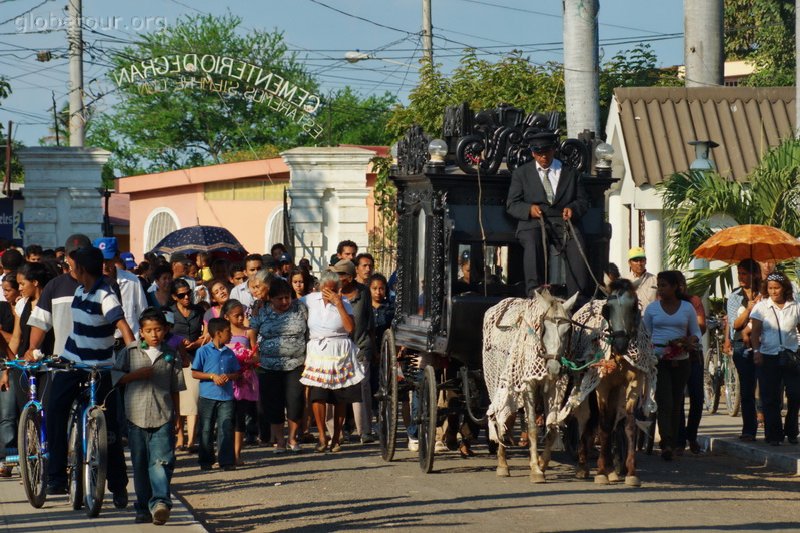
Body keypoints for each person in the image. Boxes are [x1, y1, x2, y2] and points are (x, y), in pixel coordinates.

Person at [37, 245, 135, 504]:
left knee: (109, 428)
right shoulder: (80, 291)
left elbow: (122, 326)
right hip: (73, 363)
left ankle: (118, 485)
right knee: (55, 410)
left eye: (72, 267)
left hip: (100, 368)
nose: (70, 270)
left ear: (80, 269)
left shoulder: (106, 294)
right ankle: (56, 477)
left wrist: (133, 353)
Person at [114, 308, 185, 525]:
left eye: (158, 330)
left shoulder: (171, 355)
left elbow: (175, 388)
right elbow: (116, 378)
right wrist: (135, 375)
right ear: (141, 332)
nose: (154, 334)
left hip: (163, 415)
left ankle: (161, 503)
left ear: (165, 331)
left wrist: (178, 418)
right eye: (148, 330)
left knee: (161, 461)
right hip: (135, 417)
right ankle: (143, 507)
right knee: (140, 463)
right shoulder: (130, 351)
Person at [506, 131, 590, 300]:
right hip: (535, 222)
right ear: (532, 153)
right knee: (532, 241)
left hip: (564, 222)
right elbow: (512, 204)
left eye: (546, 152)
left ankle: (577, 297)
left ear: (553, 150)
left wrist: (573, 209)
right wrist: (529, 209)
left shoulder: (571, 173)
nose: (543, 157)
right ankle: (535, 293)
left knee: (577, 242)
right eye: (538, 153)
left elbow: (583, 201)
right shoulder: (521, 174)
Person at [301, 270, 364, 453]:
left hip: (340, 350)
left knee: (340, 397)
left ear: (338, 289)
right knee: (318, 394)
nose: (328, 293)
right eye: (325, 290)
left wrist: (338, 304)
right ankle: (322, 436)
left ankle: (336, 437)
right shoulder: (310, 300)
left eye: (332, 290)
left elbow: (350, 328)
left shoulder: (345, 303)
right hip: (318, 352)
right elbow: (294, 304)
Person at [642, 270, 701, 461]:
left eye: (664, 285)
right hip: (658, 360)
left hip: (681, 360)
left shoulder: (687, 308)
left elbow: (696, 332)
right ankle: (666, 442)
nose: (660, 289)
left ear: (675, 287)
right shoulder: (652, 309)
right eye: (658, 285)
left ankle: (675, 440)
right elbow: (644, 334)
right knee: (665, 400)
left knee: (677, 401)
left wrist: (690, 340)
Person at [248, 278, 308, 453]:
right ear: (271, 298)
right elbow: (252, 330)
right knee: (273, 404)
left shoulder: (300, 308)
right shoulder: (261, 310)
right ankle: (280, 441)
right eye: (280, 298)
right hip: (268, 366)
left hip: (295, 364)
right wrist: (254, 351)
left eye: (287, 297)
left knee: (295, 402)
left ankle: (293, 438)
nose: (284, 302)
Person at [749, 272, 800, 446]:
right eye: (770, 288)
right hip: (768, 356)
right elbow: (755, 332)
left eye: (776, 288)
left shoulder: (795, 306)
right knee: (770, 397)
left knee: (795, 393)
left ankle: (792, 430)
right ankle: (774, 435)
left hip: (791, 355)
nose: (773, 292)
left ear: (784, 288)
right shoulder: (761, 307)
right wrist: (756, 351)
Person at [333, 259, 375, 444]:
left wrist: (373, 346)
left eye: (341, 275)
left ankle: (365, 431)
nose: (338, 278)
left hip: (360, 344)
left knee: (362, 387)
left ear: (349, 277)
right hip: (337, 347)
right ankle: (337, 431)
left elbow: (369, 319)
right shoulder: (331, 293)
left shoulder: (363, 292)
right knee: (337, 388)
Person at [192, 317, 240, 470]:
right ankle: (206, 461)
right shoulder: (203, 351)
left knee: (226, 428)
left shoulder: (229, 353)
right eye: (228, 332)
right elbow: (195, 373)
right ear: (218, 333)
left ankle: (226, 461)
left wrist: (229, 376)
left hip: (226, 397)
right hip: (207, 396)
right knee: (206, 428)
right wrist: (212, 376)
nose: (231, 334)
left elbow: (237, 372)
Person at [169, 278, 206, 452]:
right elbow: (165, 335)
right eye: (181, 295)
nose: (186, 297)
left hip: (194, 356)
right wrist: (178, 343)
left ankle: (191, 439)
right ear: (174, 297)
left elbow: (205, 333)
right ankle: (179, 436)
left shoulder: (198, 310)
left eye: (188, 293)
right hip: (174, 358)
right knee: (177, 398)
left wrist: (197, 342)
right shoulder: (169, 312)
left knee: (192, 397)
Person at [726, 258, 762, 441]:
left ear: (754, 274)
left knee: (768, 389)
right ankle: (749, 429)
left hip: (765, 345)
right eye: (739, 273)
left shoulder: (765, 294)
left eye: (744, 273)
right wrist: (749, 309)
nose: (741, 277)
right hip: (742, 345)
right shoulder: (735, 296)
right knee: (747, 390)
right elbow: (735, 324)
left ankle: (774, 429)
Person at [221, 299, 258, 465]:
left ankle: (236, 454)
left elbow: (257, 354)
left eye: (243, 315)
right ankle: (224, 452)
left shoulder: (248, 332)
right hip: (225, 380)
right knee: (225, 417)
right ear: (227, 317)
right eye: (237, 316)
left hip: (242, 381)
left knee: (239, 417)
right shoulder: (221, 333)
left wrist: (248, 359)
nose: (241, 319)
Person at [676, 272, 707, 455]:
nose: (681, 287)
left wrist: (689, 338)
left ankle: (692, 435)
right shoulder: (662, 303)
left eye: (682, 284)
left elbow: (701, 325)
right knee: (678, 399)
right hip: (671, 354)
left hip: (693, 353)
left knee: (697, 397)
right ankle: (680, 439)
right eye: (677, 284)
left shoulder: (693, 301)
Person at [628, 247, 658, 313]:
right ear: (629, 263)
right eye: (635, 260)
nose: (639, 263)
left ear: (645, 261)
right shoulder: (625, 282)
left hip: (651, 320)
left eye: (641, 260)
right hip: (632, 321)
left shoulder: (655, 280)